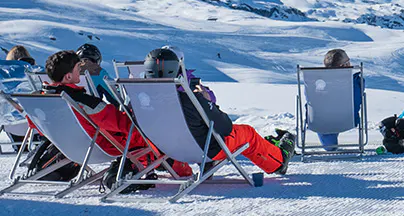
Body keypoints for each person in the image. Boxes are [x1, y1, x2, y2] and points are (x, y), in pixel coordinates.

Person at [142, 47, 294, 176]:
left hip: (166, 151)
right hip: (206, 150)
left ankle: (189, 169)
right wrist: (206, 100)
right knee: (247, 133)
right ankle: (279, 162)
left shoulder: (142, 103)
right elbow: (225, 126)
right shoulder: (191, 99)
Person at [40, 49, 168, 191]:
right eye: (77, 67)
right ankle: (170, 167)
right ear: (68, 76)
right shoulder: (83, 101)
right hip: (99, 146)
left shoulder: (43, 98)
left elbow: (36, 126)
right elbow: (121, 122)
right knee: (145, 134)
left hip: (65, 145)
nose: (80, 70)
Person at [313, 48, 364, 151]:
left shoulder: (314, 82)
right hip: (348, 120)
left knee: (329, 146)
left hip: (320, 121)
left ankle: (329, 141)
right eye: (348, 61)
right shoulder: (355, 82)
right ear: (344, 66)